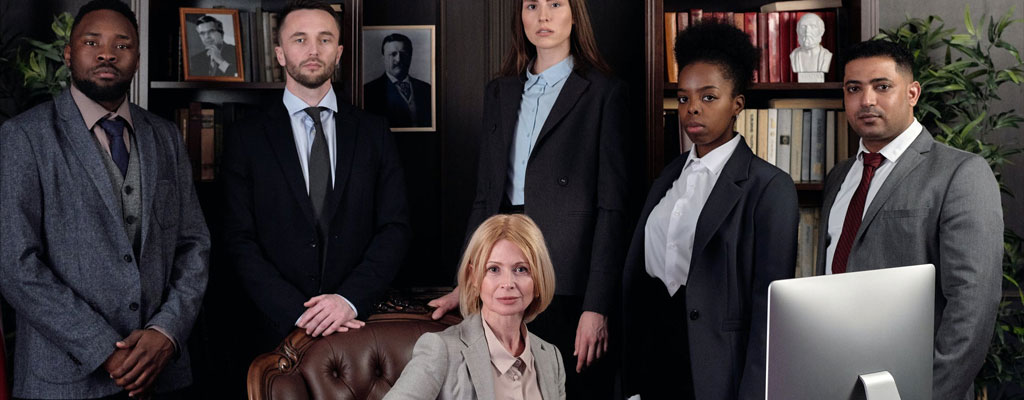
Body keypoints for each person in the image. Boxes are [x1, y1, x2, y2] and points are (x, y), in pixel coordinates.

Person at [0, 0, 210, 398]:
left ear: (137, 58)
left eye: (122, 44)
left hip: (159, 375)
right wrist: (103, 349)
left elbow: (193, 244)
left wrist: (166, 331)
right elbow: (15, 264)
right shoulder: (24, 137)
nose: (107, 54)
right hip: (63, 380)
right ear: (68, 53)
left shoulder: (165, 135)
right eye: (92, 41)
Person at [427, 0, 632, 397]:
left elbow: (612, 209)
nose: (543, 16)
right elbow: (485, 199)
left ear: (575, 15)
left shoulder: (604, 92)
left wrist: (597, 305)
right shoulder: (500, 92)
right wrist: (465, 281)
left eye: (555, 4)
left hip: (569, 280)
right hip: (504, 272)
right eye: (532, 5)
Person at [221, 0, 411, 354]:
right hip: (273, 331)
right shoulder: (245, 137)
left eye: (324, 40)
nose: (313, 50)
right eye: (300, 39)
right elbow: (238, 239)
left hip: (358, 324)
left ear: (338, 53)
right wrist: (299, 313)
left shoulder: (374, 132)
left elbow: (394, 228)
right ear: (280, 54)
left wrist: (348, 300)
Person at [621, 22, 798, 400]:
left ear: (737, 104)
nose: (693, 108)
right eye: (683, 98)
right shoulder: (667, 177)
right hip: (653, 355)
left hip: (717, 369)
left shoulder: (769, 187)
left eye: (709, 97)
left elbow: (769, 313)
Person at [820, 39, 1002, 400]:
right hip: (835, 378)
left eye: (882, 86)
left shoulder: (961, 172)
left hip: (915, 384)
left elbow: (973, 304)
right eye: (854, 89)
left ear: (912, 93)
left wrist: (931, 393)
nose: (866, 100)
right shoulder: (839, 178)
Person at [385, 214, 564, 400]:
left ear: (539, 278)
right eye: (493, 269)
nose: (508, 283)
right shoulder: (441, 350)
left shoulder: (551, 357)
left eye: (521, 269)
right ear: (474, 278)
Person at [363, 33, 432, 127]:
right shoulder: (369, 91)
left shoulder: (427, 89)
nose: (398, 59)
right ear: (384, 58)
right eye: (393, 54)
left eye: (403, 54)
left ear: (410, 56)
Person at [789, 13, 832, 82]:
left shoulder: (826, 55)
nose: (807, 31)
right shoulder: (794, 55)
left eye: (812, 26)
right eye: (803, 27)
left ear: (821, 31)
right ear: (797, 31)